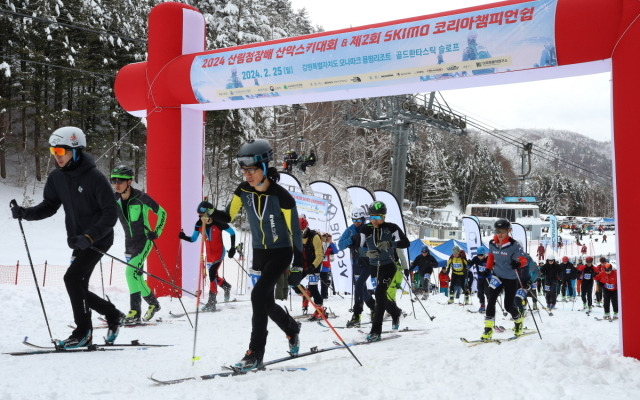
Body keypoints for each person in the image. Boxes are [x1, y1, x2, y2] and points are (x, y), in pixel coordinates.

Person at [10, 126, 124, 348]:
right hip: (77, 240)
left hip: (98, 238)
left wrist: (91, 236)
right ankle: (112, 314)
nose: (57, 157)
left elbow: (111, 213)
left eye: (61, 152)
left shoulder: (94, 178)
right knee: (76, 284)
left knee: (72, 279)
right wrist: (25, 213)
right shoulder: (57, 177)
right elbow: (49, 206)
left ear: (76, 150)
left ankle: (83, 333)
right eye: (53, 152)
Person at [221, 139, 303, 371]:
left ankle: (255, 353)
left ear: (265, 168)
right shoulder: (243, 190)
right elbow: (227, 216)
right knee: (265, 303)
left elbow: (295, 232)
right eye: (244, 170)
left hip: (280, 253)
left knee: (257, 297)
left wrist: (299, 265)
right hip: (259, 254)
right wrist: (208, 214)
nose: (247, 175)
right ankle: (291, 328)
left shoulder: (282, 197)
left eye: (252, 170)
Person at [110, 165, 166, 324]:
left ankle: (134, 311)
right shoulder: (114, 199)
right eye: (113, 180)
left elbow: (162, 213)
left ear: (130, 181)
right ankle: (153, 304)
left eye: (120, 181)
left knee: (130, 273)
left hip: (144, 241)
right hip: (129, 244)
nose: (116, 184)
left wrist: (157, 231)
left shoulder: (142, 198)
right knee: (137, 276)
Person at [357, 201, 410, 342]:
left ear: (384, 217)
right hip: (375, 267)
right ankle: (395, 312)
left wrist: (390, 243)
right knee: (381, 296)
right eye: (372, 217)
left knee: (379, 293)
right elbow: (359, 247)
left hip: (389, 266)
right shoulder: (365, 229)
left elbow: (406, 242)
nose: (374, 220)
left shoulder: (391, 228)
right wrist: (367, 253)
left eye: (377, 217)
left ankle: (376, 331)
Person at [179, 200, 236, 311]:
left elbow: (232, 232)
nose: (202, 218)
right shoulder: (199, 224)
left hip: (219, 252)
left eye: (203, 216)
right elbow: (193, 239)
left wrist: (233, 247)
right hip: (209, 255)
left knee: (211, 274)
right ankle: (226, 286)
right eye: (200, 216)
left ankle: (212, 302)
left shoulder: (219, 222)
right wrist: (183, 236)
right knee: (213, 276)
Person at [478, 219, 528, 340]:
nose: (499, 234)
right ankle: (488, 329)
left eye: (503, 231)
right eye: (497, 231)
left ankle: (518, 321)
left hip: (510, 278)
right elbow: (491, 257)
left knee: (508, 306)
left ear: (508, 231)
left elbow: (524, 259)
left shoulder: (513, 245)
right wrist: (488, 269)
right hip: (497, 276)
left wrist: (518, 263)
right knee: (491, 299)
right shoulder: (492, 243)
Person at [339, 206, 376, 328]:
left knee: (359, 285)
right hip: (356, 262)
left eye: (359, 220)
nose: (357, 223)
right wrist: (351, 240)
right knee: (361, 288)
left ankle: (356, 315)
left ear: (363, 219)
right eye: (354, 220)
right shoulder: (350, 230)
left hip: (368, 262)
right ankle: (373, 307)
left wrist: (363, 248)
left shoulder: (369, 228)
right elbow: (340, 245)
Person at [296, 216, 326, 320]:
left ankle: (320, 308)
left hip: (314, 265)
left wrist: (313, 266)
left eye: (302, 231)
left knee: (313, 288)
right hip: (303, 265)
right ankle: (306, 293)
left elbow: (320, 255)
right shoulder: (296, 236)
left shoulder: (314, 237)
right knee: (293, 281)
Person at [468, 246, 489, 312]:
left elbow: (493, 265)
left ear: (484, 254)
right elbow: (469, 265)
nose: (480, 257)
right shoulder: (475, 258)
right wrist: (468, 264)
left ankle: (490, 304)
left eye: (481, 255)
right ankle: (482, 304)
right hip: (480, 278)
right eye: (478, 255)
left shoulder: (488, 259)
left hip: (487, 278)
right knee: (480, 292)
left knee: (487, 291)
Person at [320, 232, 338, 299]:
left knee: (324, 282)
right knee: (314, 282)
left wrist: (331, 242)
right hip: (317, 265)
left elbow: (336, 251)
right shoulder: (319, 243)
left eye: (328, 237)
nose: (326, 238)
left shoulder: (330, 245)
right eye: (324, 237)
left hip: (325, 266)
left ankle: (324, 296)